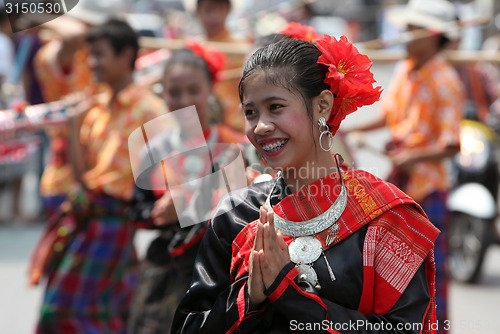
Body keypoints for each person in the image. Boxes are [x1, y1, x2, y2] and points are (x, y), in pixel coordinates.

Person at [171, 34, 441, 333]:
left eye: (276, 107)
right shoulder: (236, 214)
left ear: (323, 106)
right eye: (250, 112)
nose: (260, 126)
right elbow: (189, 326)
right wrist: (248, 296)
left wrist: (288, 294)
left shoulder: (386, 217)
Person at [33, 19, 167, 333]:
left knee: (67, 311)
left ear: (125, 55)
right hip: (88, 215)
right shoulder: (96, 109)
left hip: (115, 221)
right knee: (94, 310)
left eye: (99, 54)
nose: (92, 63)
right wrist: (73, 127)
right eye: (90, 54)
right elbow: (82, 177)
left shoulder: (151, 109)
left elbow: (170, 176)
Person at [348, 1, 465, 332]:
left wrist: (413, 157)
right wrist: (351, 128)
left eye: (413, 29)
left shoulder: (445, 81)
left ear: (432, 35)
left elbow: (451, 144)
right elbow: (390, 116)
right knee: (394, 271)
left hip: (426, 189)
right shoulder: (405, 69)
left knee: (430, 273)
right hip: (401, 185)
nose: (405, 35)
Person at [127, 42, 250, 334]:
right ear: (163, 93)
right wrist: (159, 214)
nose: (184, 99)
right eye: (174, 92)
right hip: (167, 267)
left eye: (193, 90)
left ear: (211, 89)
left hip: (223, 266)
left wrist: (183, 205)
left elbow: (245, 205)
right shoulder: (154, 150)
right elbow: (135, 210)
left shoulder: (234, 147)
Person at [195, 0, 247, 132]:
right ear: (198, 11)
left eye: (220, 9)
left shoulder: (242, 49)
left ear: (228, 10)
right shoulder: (192, 49)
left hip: (236, 127)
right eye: (209, 9)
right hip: (200, 127)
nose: (214, 16)